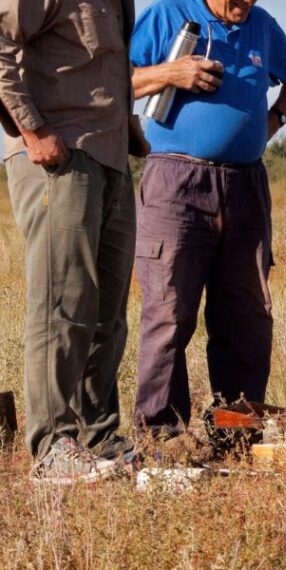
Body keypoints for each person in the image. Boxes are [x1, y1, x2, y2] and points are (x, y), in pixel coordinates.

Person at [129, 0, 286, 437]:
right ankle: (162, 436)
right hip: (176, 182)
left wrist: (272, 122)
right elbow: (115, 81)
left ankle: (237, 429)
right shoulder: (168, 15)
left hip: (245, 184)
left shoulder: (262, 25)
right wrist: (172, 74)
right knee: (169, 309)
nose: (244, 5)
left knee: (246, 311)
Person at [0, 0, 138, 483]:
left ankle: (99, 438)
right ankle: (52, 446)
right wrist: (32, 129)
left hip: (111, 157)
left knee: (107, 314)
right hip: (59, 157)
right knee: (63, 304)